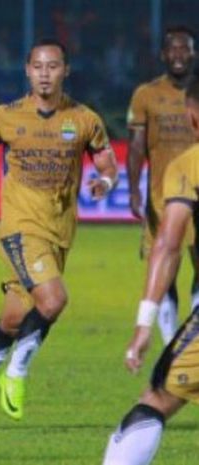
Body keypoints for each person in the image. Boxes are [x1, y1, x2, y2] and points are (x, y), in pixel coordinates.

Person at [0, 38, 118, 431]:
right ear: (27, 70)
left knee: (12, 320)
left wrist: (105, 183)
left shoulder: (85, 119)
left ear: (65, 71)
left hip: (58, 232)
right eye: (38, 66)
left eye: (52, 66)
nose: (45, 73)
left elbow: (107, 162)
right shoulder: (5, 117)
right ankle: (17, 374)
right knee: (54, 299)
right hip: (19, 229)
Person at [102, 77, 199, 465]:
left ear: (192, 117)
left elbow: (168, 244)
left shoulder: (188, 166)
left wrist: (144, 324)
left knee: (156, 398)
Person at [127, 26, 198, 345]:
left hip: (197, 192)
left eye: (185, 49)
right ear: (163, 55)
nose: (179, 55)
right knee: (165, 265)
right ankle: (171, 342)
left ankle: (193, 338)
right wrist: (133, 189)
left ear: (193, 53)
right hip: (162, 196)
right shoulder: (146, 94)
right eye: (173, 49)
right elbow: (136, 146)